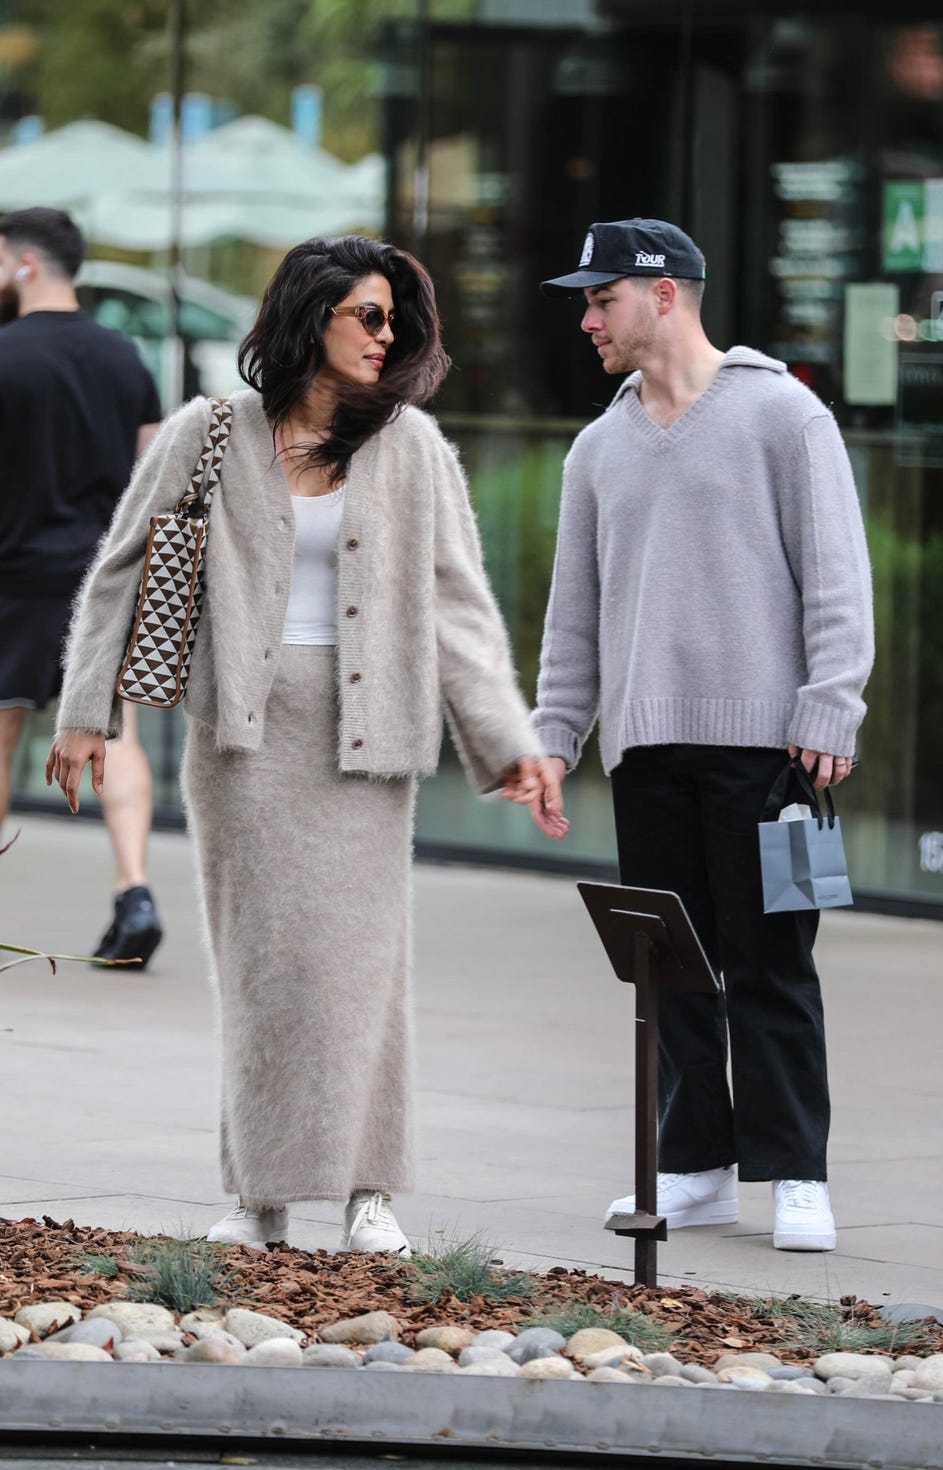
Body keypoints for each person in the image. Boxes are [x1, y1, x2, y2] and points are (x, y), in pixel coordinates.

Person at [47, 233, 565, 1256]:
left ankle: (370, 1192)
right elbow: (123, 572)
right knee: (262, 971)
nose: (386, 337)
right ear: (307, 318)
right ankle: (258, 1196)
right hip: (243, 745)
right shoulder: (209, 433)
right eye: (365, 316)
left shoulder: (411, 447)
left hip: (365, 743)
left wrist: (505, 737)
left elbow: (455, 606)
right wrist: (84, 710)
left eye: (394, 321)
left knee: (365, 971)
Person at [529, 218, 874, 1252]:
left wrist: (829, 704)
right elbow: (572, 615)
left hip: (766, 746)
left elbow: (835, 575)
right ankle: (692, 1167)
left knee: (770, 962)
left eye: (601, 299)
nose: (586, 318)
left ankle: (793, 1171)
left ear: (665, 294)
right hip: (646, 750)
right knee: (668, 968)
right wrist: (554, 735)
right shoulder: (597, 446)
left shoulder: (782, 416)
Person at [0, 207, 164, 969]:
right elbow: (154, 481)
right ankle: (135, 890)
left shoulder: (4, 356)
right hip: (101, 583)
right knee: (116, 735)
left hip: (13, 577)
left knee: (0, 739)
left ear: (25, 263)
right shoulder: (126, 359)